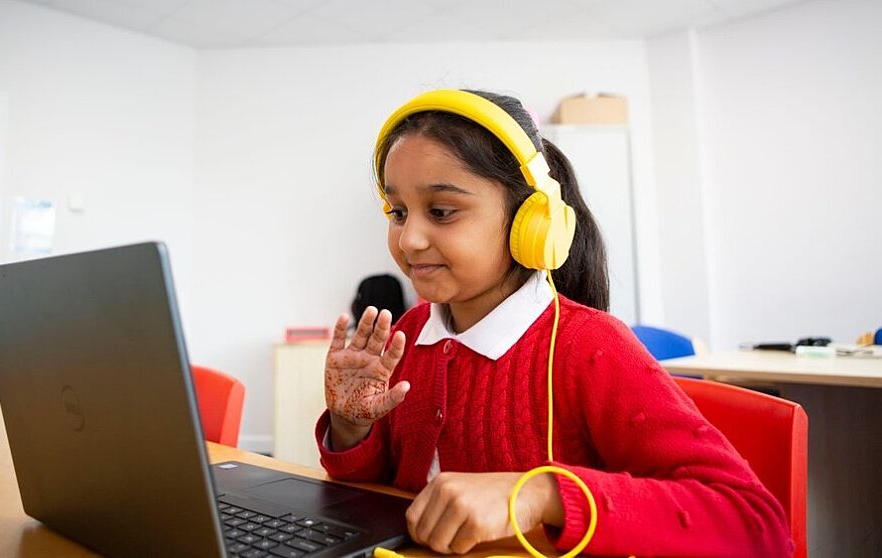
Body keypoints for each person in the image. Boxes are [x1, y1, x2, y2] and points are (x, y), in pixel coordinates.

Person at [316, 89, 792, 557]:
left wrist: (540, 495)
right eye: (397, 212)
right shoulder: (410, 333)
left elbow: (755, 524)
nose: (410, 239)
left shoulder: (589, 346)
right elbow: (382, 498)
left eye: (441, 211)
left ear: (532, 220)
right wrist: (352, 427)